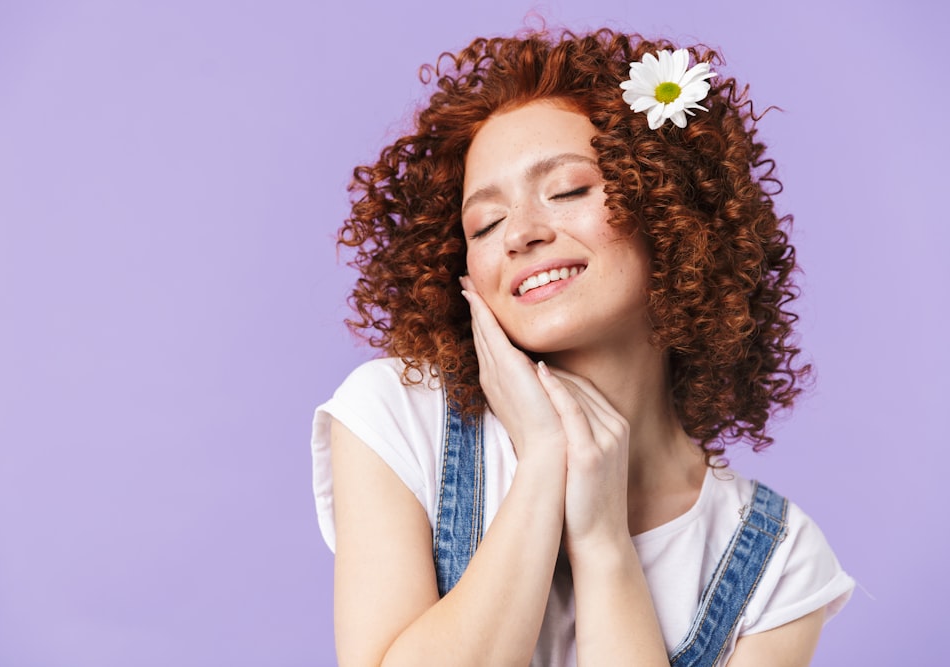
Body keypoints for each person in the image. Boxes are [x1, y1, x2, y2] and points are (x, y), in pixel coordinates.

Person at [311, 27, 854, 666]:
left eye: (568, 190)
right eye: (484, 224)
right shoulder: (397, 418)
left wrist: (603, 545)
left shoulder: (777, 563)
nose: (520, 235)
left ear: (669, 207)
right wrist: (545, 461)